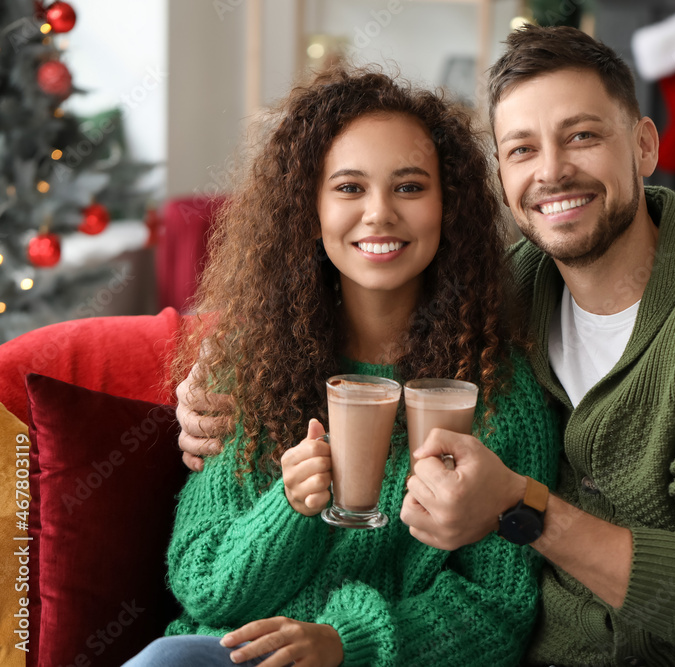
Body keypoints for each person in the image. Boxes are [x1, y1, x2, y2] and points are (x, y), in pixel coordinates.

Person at [179, 28, 675, 667]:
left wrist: (520, 506)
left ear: (643, 145)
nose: (551, 173)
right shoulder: (508, 298)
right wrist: (211, 375)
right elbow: (343, 297)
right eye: (521, 148)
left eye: (581, 136)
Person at [127, 67, 559, 667]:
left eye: (409, 187)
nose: (379, 213)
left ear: (449, 206)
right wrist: (289, 507)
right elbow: (202, 582)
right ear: (309, 208)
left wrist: (342, 644)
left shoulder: (497, 394)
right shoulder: (248, 368)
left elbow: (495, 609)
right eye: (349, 188)